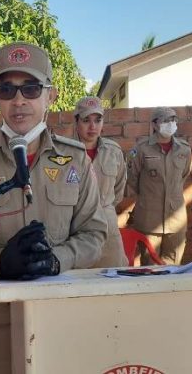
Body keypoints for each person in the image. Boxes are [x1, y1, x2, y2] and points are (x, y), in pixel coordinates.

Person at [0, 41, 108, 373]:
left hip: (60, 315)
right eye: (7, 89)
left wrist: (57, 259)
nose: (19, 100)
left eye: (31, 88)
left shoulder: (75, 158)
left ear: (50, 95)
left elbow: (94, 234)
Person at [126, 106, 192, 265]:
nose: (171, 124)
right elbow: (132, 179)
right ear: (154, 125)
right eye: (165, 120)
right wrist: (150, 195)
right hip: (149, 219)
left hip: (176, 219)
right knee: (150, 266)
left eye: (173, 120)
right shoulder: (141, 149)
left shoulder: (184, 149)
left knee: (173, 266)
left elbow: (183, 176)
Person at [73, 96, 128, 267]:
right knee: (78, 277)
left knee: (113, 274)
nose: (92, 126)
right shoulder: (64, 152)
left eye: (97, 120)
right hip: (75, 227)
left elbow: (119, 189)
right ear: (76, 122)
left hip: (108, 227)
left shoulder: (113, 151)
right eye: (86, 120)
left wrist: (103, 207)